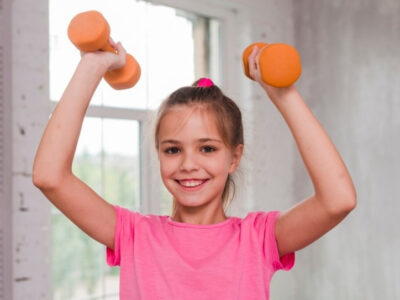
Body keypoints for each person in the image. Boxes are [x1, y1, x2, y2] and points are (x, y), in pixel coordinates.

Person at [33, 39, 357, 299]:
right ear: (159, 154)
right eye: (173, 149)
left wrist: (283, 94)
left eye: (207, 148)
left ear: (234, 157)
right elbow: (50, 176)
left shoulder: (257, 239)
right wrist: (93, 65)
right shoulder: (134, 235)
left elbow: (338, 199)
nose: (189, 165)